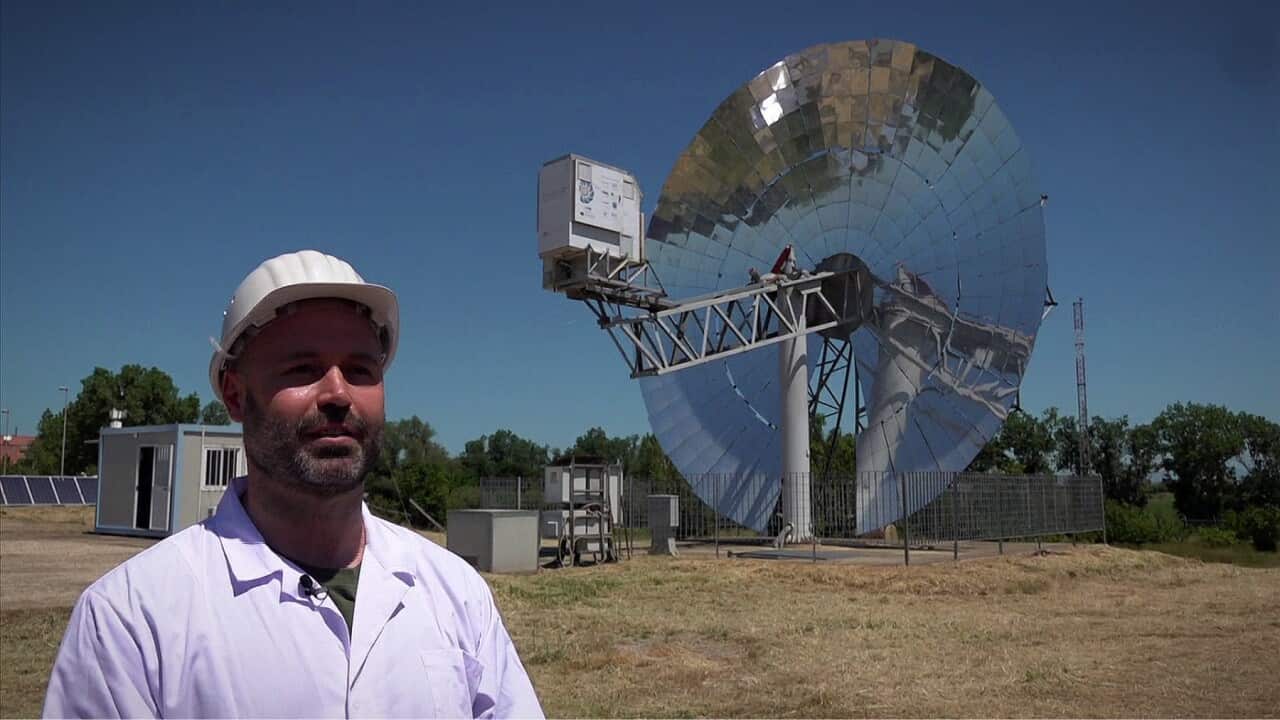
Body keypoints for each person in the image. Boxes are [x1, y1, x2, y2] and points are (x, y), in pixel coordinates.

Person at [44, 250, 543, 718]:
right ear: (236, 396)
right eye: (302, 368)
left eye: (360, 370)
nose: (338, 393)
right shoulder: (132, 620)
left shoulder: (458, 596)